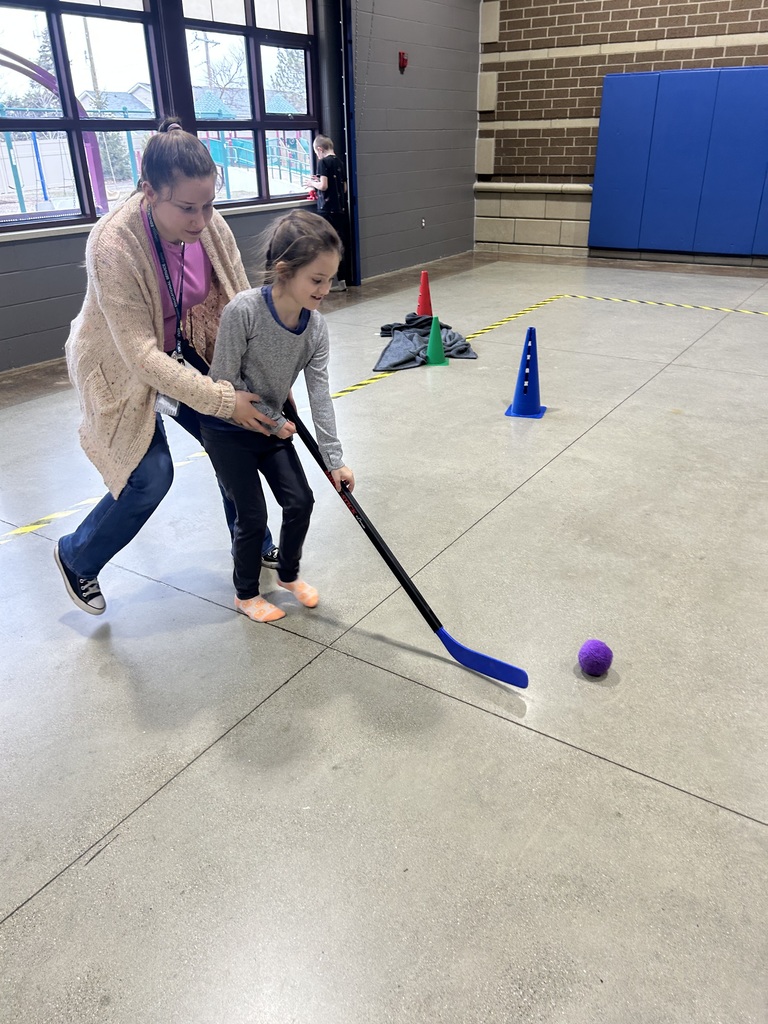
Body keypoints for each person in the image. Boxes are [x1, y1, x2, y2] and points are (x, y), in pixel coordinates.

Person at [55, 116, 279, 616]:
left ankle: (251, 539)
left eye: (208, 205)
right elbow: (139, 354)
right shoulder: (112, 244)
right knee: (150, 477)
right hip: (120, 367)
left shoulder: (209, 224)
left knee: (236, 442)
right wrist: (224, 398)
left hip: (185, 348)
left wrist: (264, 372)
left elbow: (240, 302)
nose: (201, 221)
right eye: (186, 208)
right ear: (149, 192)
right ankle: (77, 556)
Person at [200, 210, 355, 623]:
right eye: (316, 279)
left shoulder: (315, 328)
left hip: (271, 428)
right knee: (251, 516)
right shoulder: (244, 311)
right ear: (285, 271)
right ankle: (246, 594)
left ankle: (287, 575)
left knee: (300, 501)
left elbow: (319, 394)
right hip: (227, 429)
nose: (326, 289)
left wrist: (334, 460)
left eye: (330, 278)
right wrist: (272, 419)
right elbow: (222, 382)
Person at [308, 135, 350, 292]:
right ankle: (342, 280)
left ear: (320, 150)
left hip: (327, 210)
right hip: (340, 210)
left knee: (325, 245)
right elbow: (344, 188)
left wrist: (313, 183)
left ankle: (325, 282)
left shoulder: (323, 162)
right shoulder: (339, 162)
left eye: (316, 152)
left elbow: (324, 186)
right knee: (339, 245)